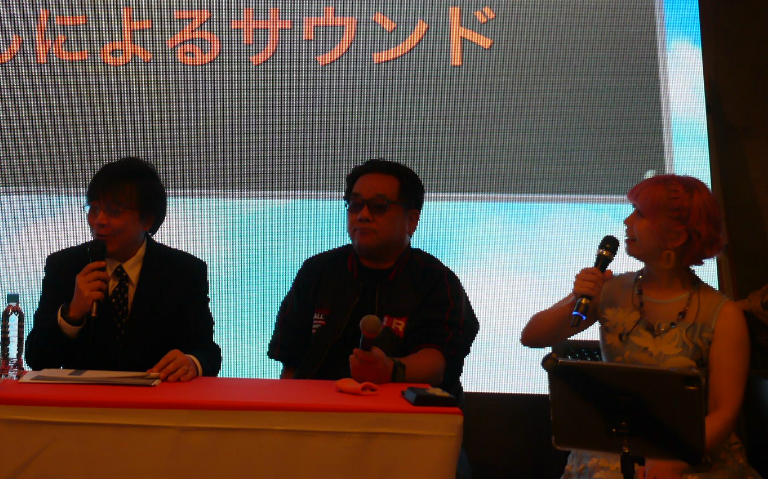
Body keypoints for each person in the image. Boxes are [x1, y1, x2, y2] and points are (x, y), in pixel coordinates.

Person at [521, 174, 760, 479]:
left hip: (694, 452)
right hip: (618, 447)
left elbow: (724, 411)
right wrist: (576, 297)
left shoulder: (723, 314)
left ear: (676, 237)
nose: (627, 221)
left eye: (640, 214)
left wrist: (676, 459)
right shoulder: (611, 290)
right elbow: (533, 336)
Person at [268, 158, 479, 401]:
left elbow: (438, 363)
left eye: (378, 206)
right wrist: (287, 409)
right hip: (318, 411)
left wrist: (390, 370)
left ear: (412, 220)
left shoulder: (436, 280)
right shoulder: (317, 270)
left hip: (405, 416)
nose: (363, 215)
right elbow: (291, 362)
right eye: (355, 205)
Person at [25, 157, 221, 380]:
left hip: (157, 398)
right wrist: (72, 314)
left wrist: (191, 362)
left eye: (114, 211)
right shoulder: (64, 266)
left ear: (147, 220)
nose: (99, 220)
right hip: (84, 399)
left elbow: (208, 352)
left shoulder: (184, 271)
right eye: (94, 209)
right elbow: (36, 358)